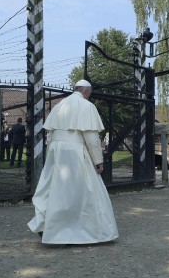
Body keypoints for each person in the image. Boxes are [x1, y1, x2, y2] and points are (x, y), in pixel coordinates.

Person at [27, 80, 118, 245]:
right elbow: (91, 138)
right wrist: (98, 160)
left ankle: (49, 227)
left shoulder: (60, 105)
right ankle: (82, 231)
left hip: (57, 152)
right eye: (89, 93)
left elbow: (50, 134)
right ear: (86, 91)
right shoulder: (87, 106)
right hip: (75, 152)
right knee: (82, 192)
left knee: (54, 190)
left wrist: (51, 157)